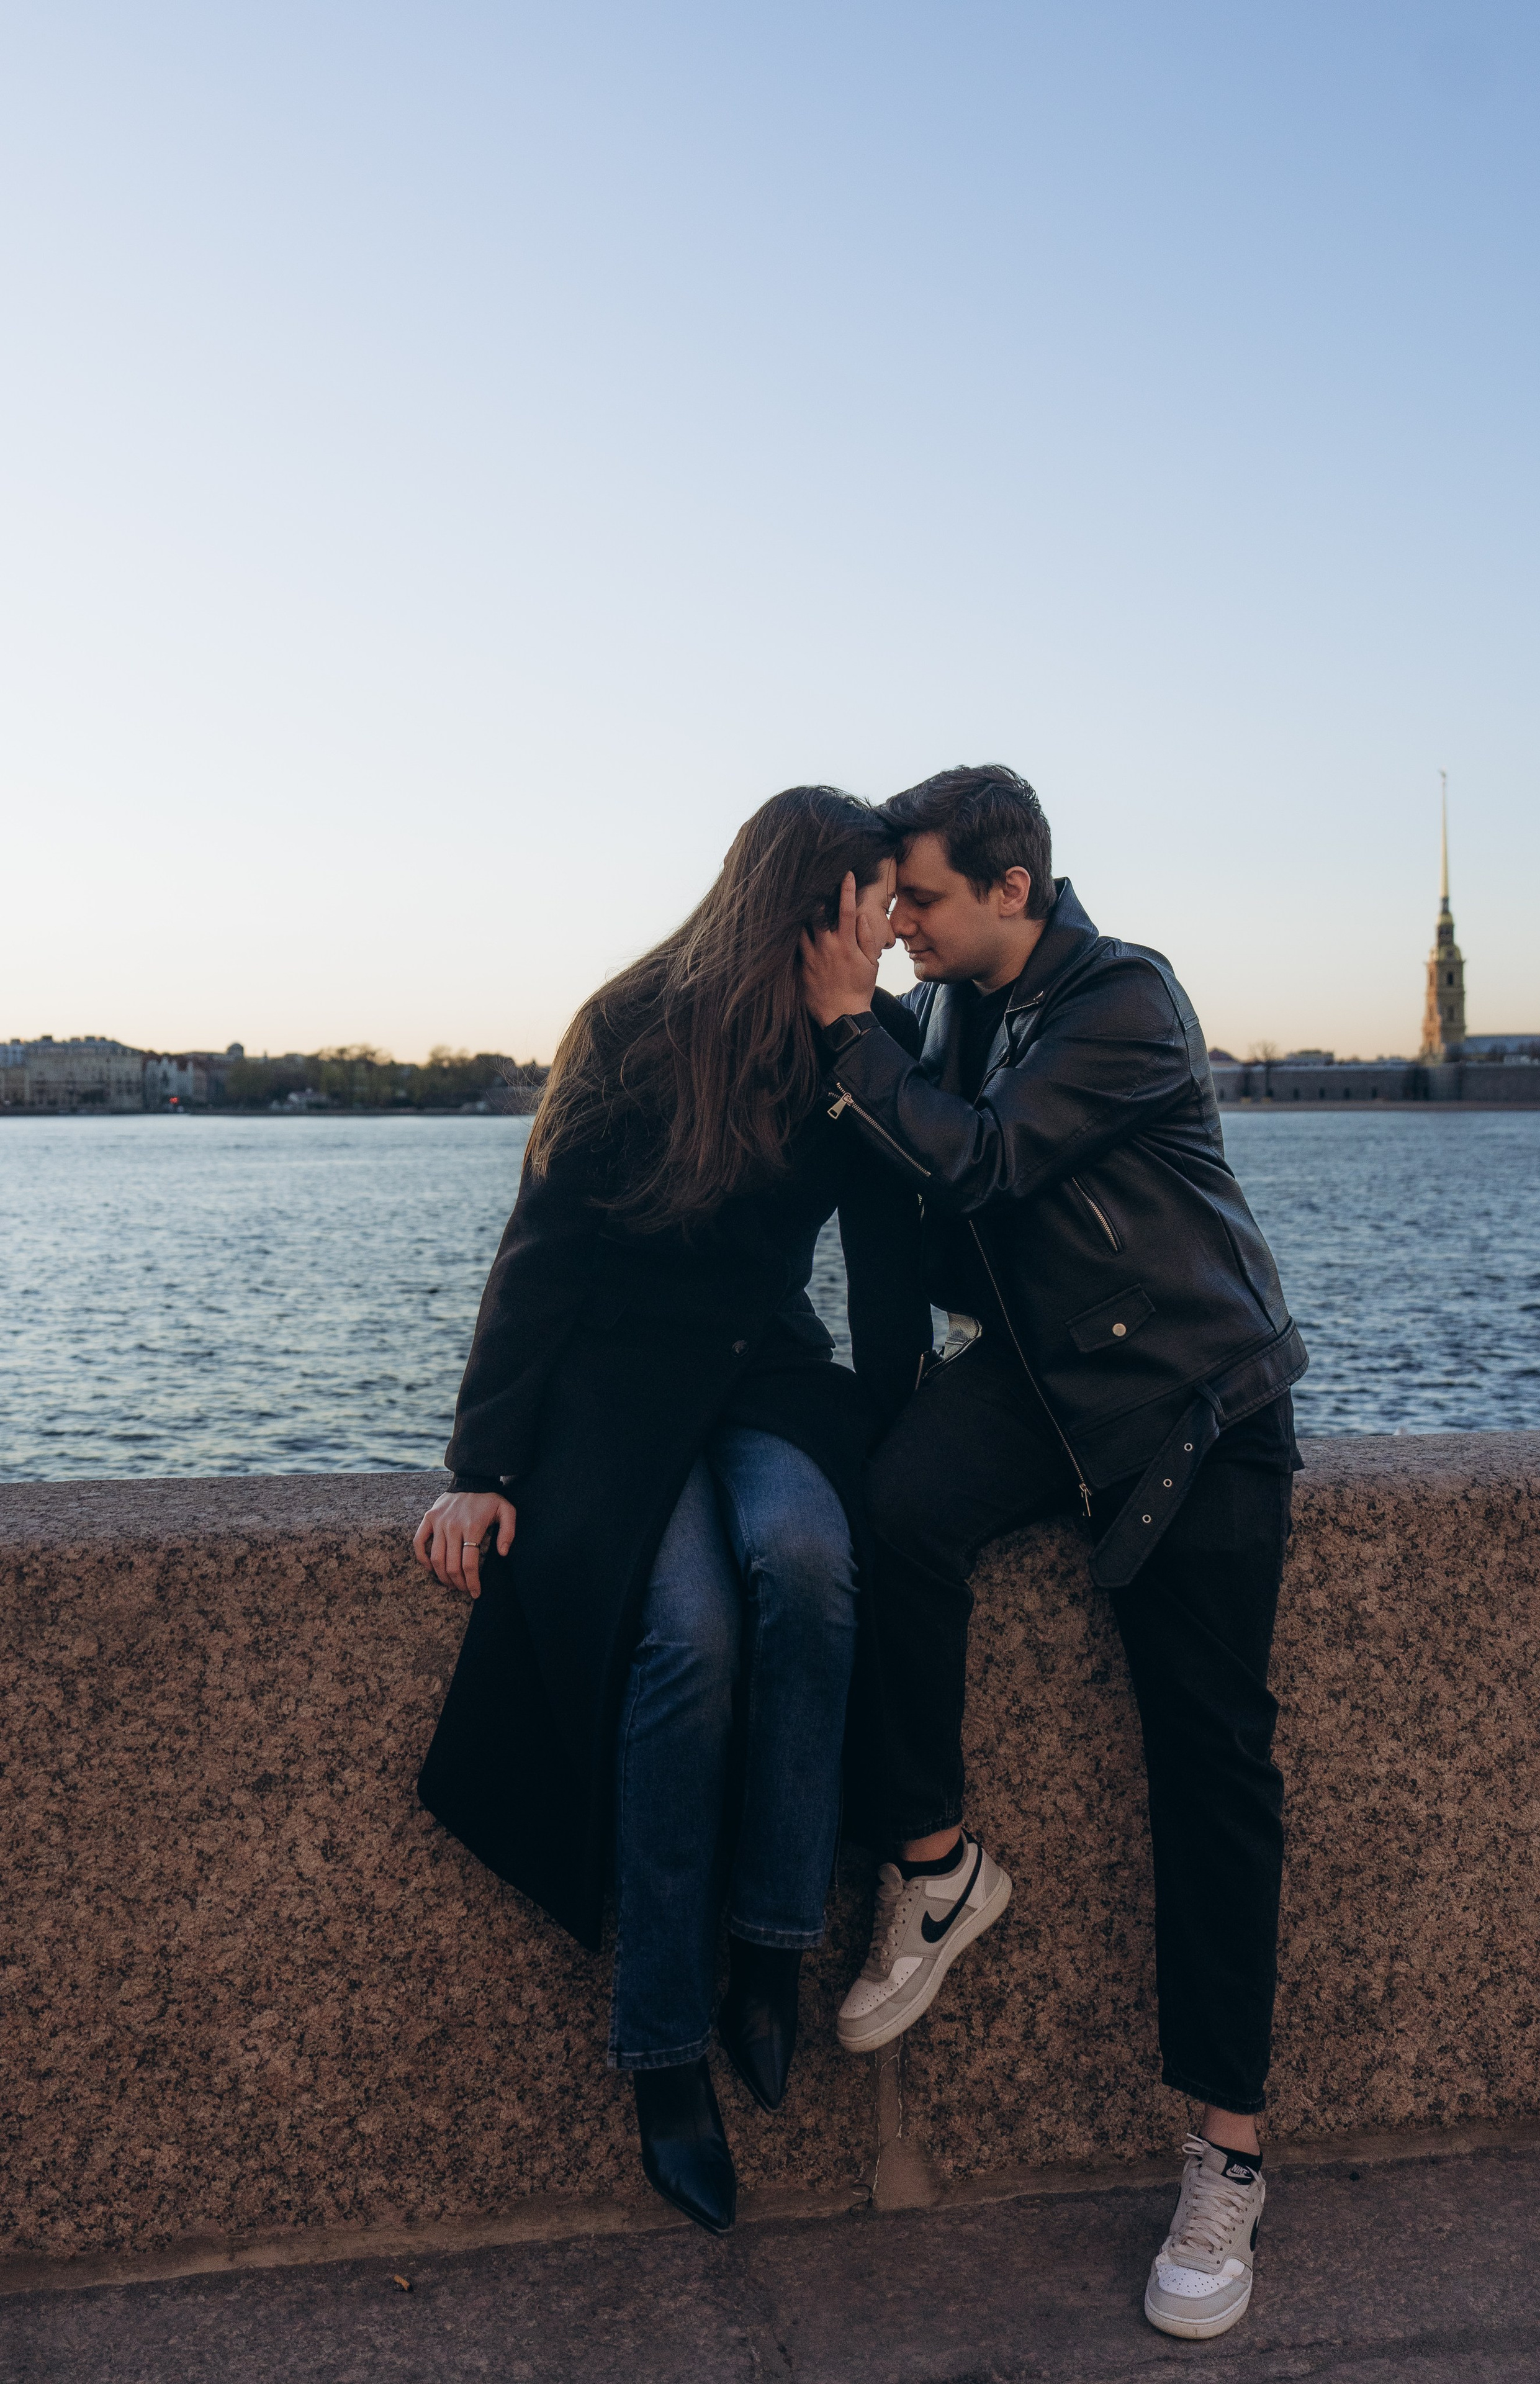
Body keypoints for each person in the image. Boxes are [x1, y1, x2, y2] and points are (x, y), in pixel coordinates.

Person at [801, 764, 1306, 2344]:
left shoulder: (1123, 1001)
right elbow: (918, 1164)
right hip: (1037, 1382)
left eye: (924, 900)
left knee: (1207, 1764)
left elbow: (980, 1164)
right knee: (885, 1517)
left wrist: (840, 1034)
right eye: (892, 905)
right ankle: (940, 1869)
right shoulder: (959, 1004)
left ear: (1012, 886)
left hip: (1188, 1398)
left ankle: (1224, 2152)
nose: (902, 928)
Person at [412, 787, 929, 2239]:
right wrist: (481, 1467)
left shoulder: (856, 1049)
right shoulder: (634, 1028)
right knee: (688, 1638)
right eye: (873, 904)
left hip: (761, 1384)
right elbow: (541, 1257)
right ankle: (662, 2057)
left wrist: (893, 1434)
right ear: (808, 905)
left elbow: (886, 1261)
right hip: (610, 1407)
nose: (891, 933)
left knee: (811, 1560)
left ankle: (770, 1947)